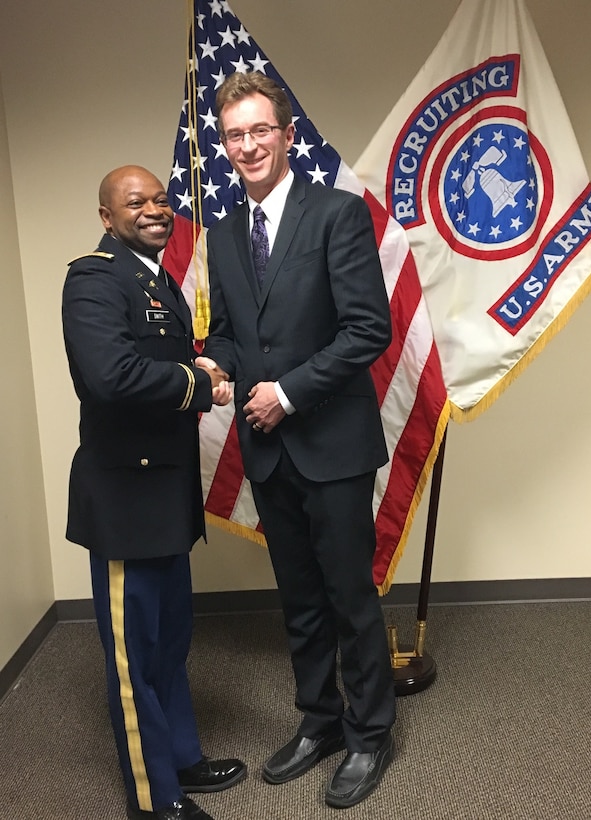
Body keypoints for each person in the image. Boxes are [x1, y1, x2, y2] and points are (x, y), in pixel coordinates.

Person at [202, 73, 396, 810]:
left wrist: (285, 392)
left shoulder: (337, 215)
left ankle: (370, 732)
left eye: (259, 131)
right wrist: (214, 359)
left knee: (349, 596)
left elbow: (366, 330)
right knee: (300, 601)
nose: (247, 146)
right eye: (233, 136)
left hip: (331, 443)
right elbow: (228, 326)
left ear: (286, 134)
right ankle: (320, 723)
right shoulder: (223, 233)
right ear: (224, 146)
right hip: (266, 449)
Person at [62, 165, 244, 820]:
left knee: (169, 641)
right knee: (134, 655)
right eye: (135, 201)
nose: (155, 208)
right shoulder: (92, 277)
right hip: (123, 501)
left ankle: (181, 757)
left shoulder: (157, 280)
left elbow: (165, 363)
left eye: (161, 199)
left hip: (165, 494)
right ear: (107, 217)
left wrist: (203, 366)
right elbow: (112, 376)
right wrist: (197, 383)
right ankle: (152, 795)